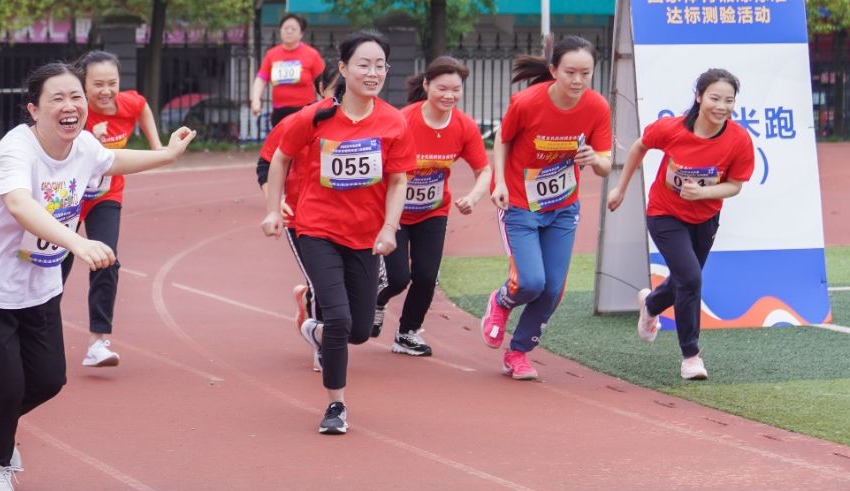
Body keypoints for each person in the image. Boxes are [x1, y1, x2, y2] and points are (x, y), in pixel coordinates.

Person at [0, 63, 195, 491]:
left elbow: (113, 160)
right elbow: (21, 205)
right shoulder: (15, 151)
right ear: (34, 109)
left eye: (76, 96)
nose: (70, 106)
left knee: (48, 380)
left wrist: (167, 155)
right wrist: (77, 242)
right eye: (57, 98)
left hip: (38, 284)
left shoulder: (83, 146)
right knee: (5, 387)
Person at [261, 31, 414, 434]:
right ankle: (336, 406)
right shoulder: (315, 117)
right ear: (344, 69)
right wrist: (274, 209)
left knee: (360, 331)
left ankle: (313, 330)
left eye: (380, 65)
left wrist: (390, 228)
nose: (372, 72)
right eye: (363, 64)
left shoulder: (394, 122)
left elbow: (398, 180)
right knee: (339, 317)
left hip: (364, 237)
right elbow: (279, 158)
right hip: (317, 230)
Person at [606, 68, 753, 381]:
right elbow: (640, 146)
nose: (721, 106)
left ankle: (651, 304)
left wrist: (703, 193)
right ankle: (690, 356)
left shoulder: (738, 140)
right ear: (699, 97)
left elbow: (735, 185)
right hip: (665, 214)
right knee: (691, 278)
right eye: (714, 98)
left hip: (705, 218)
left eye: (728, 101)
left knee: (684, 280)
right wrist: (620, 188)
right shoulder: (671, 129)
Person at [481, 36, 612, 382]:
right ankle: (502, 301)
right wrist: (499, 182)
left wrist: (594, 159)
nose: (578, 80)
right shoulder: (527, 103)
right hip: (520, 203)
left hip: (563, 206)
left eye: (585, 73)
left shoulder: (597, 107)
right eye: (570, 72)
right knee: (531, 282)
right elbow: (503, 140)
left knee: (553, 288)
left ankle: (518, 353)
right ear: (554, 70)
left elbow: (605, 164)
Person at [375, 57, 490, 357]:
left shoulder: (464, 126)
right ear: (426, 85)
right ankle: (377, 300)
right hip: (394, 211)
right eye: (442, 88)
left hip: (433, 211)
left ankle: (407, 333)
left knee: (427, 276)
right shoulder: (403, 121)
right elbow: (379, 164)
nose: (449, 95)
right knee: (398, 278)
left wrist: (473, 197)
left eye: (456, 89)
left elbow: (484, 170)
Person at [62, 51, 163, 369]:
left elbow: (142, 106)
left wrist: (157, 146)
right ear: (83, 85)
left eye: (112, 83)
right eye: (98, 84)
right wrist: (87, 139)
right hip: (66, 197)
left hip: (105, 195)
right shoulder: (74, 110)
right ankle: (35, 330)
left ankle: (97, 342)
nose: (106, 91)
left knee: (106, 259)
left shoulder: (127, 104)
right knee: (55, 264)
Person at [257, 65, 340, 371]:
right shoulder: (298, 122)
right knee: (322, 283)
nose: (345, 97)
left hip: (353, 219)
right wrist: (275, 203)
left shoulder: (373, 124)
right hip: (303, 218)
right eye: (338, 90)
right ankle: (322, 342)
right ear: (321, 90)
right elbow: (266, 164)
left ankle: (308, 301)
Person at [250, 13, 326, 128]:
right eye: (285, 28)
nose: (289, 32)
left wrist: (326, 103)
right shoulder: (272, 54)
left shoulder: (312, 54)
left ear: (301, 33)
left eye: (293, 29)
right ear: (280, 31)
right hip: (279, 112)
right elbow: (261, 79)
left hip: (305, 111)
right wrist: (255, 99)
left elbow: (323, 82)